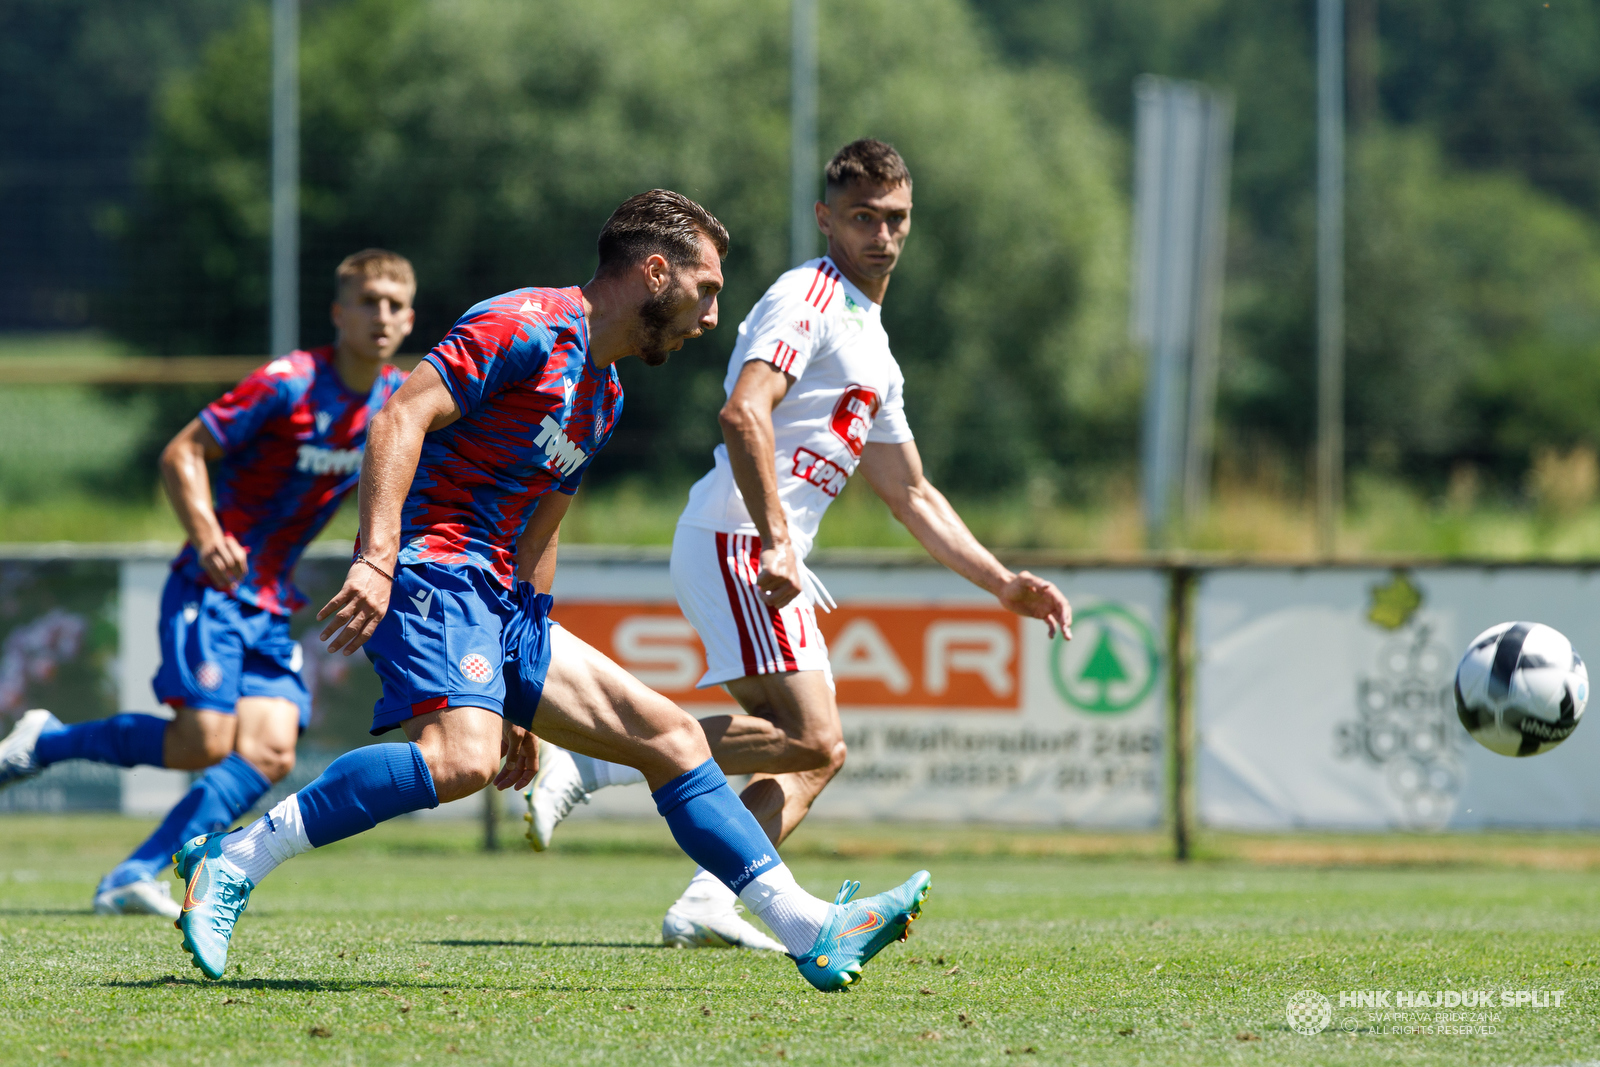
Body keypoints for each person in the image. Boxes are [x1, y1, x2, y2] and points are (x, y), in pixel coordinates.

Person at [168, 190, 930, 993]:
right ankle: (235, 857)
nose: (710, 317)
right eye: (706, 291)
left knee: (672, 739)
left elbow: (544, 529)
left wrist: (522, 690)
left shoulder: (603, 394)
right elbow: (400, 416)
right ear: (655, 271)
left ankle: (811, 928)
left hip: (502, 599)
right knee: (461, 760)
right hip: (431, 565)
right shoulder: (525, 324)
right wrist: (378, 558)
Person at [524, 141, 1068, 952]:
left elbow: (910, 491)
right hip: (741, 536)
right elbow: (744, 413)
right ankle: (590, 762)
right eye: (863, 218)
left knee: (816, 752)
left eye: (896, 218)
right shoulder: (806, 297)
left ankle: (709, 897)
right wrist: (780, 543)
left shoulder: (875, 345)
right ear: (826, 219)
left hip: (764, 548)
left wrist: (999, 582)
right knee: (813, 737)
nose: (882, 234)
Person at [0, 250, 415, 918]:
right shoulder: (289, 382)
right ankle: (45, 742)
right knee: (203, 740)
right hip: (212, 585)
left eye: (395, 304)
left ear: (410, 317)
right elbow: (183, 450)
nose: (382, 315)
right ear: (339, 312)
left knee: (272, 748)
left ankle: (135, 872)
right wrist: (206, 532)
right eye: (368, 301)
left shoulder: (395, 404)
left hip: (272, 602)